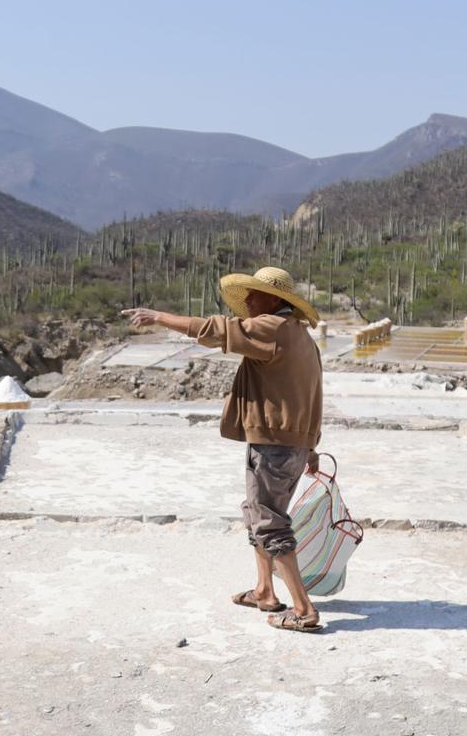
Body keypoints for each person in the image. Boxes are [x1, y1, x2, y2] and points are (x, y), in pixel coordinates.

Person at [123, 265, 326, 632]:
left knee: (269, 522)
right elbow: (311, 395)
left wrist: (158, 317)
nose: (246, 300)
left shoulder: (273, 328)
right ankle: (265, 591)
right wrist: (310, 448)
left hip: (275, 446)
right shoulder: (301, 336)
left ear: (275, 299)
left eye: (254, 293)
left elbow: (214, 330)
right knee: (258, 513)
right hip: (289, 444)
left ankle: (303, 610)